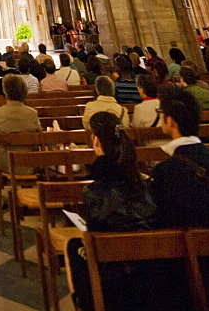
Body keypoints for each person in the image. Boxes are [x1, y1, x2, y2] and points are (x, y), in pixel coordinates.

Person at [66, 112, 157, 311]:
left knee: (73, 246)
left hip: (116, 283)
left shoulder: (95, 190)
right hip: (155, 274)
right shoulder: (144, 182)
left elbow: (95, 236)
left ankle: (85, 305)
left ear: (95, 141)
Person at [153, 88, 209, 227]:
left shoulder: (163, 172)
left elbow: (165, 220)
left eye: (160, 113)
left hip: (192, 246)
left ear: (170, 121)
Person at [0, 74, 41, 172]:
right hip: (30, 161)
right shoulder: (32, 113)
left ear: (5, 92)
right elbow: (39, 134)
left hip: (6, 163)